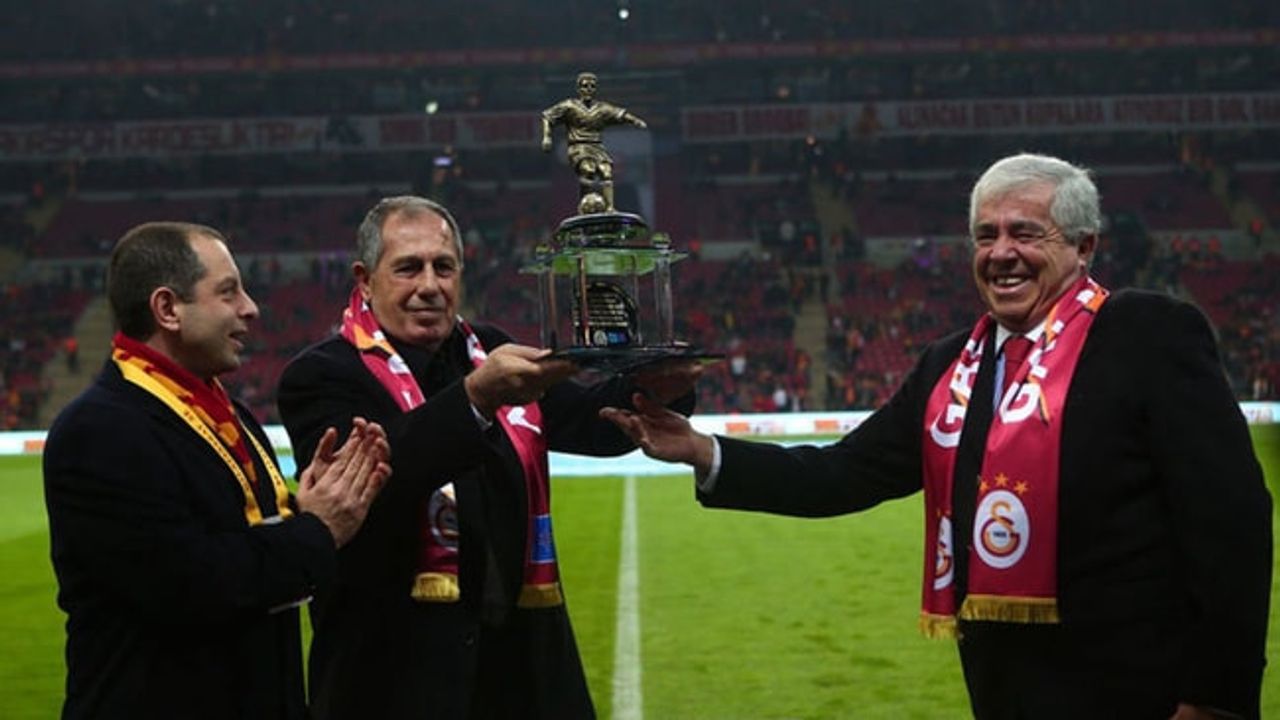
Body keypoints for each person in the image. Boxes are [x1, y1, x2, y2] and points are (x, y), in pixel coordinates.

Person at [602, 153, 1272, 720]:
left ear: (1084, 247)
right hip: (1006, 692)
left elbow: (1231, 519)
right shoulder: (952, 366)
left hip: (1144, 692)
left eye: (1025, 233)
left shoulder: (1147, 334)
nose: (1001, 253)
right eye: (986, 235)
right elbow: (842, 474)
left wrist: (1217, 696)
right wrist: (701, 449)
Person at [276, 195, 698, 719]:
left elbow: (593, 424)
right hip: (397, 682)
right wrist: (475, 399)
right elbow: (372, 482)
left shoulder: (486, 350)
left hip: (517, 669)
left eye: (443, 267)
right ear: (365, 280)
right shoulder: (321, 377)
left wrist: (657, 388)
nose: (429, 285)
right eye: (408, 268)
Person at [43, 222, 392, 719]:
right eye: (228, 292)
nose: (250, 308)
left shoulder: (226, 410)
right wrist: (317, 529)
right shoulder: (100, 430)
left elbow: (235, 534)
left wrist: (303, 506)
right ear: (168, 309)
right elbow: (191, 585)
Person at [541, 71, 647, 214]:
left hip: (596, 146)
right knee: (588, 170)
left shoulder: (601, 108)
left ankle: (610, 208)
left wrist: (635, 121)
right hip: (578, 146)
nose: (588, 89)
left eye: (592, 86)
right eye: (585, 86)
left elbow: (620, 114)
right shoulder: (570, 105)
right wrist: (547, 136)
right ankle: (584, 206)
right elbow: (547, 116)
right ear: (579, 88)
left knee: (606, 172)